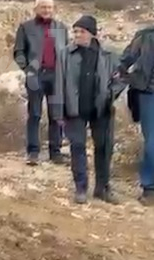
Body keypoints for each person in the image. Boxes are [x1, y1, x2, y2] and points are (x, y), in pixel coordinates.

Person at [53, 15, 125, 205]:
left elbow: (122, 78)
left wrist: (111, 94)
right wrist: (58, 112)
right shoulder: (65, 54)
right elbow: (58, 83)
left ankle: (102, 188)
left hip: (101, 108)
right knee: (77, 147)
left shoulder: (109, 54)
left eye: (81, 31)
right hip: (73, 109)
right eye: (75, 31)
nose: (77, 35)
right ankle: (81, 188)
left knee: (104, 148)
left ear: (92, 34)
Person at [13, 0, 70, 166]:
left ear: (54, 9)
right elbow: (18, 51)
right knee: (35, 114)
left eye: (50, 7)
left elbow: (66, 51)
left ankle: (56, 152)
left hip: (56, 76)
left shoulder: (61, 28)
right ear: (36, 9)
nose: (47, 10)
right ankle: (33, 152)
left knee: (56, 115)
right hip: (36, 76)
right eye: (43, 7)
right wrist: (27, 70)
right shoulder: (26, 27)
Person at [118, 24, 154, 205]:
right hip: (149, 93)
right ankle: (149, 188)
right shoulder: (145, 35)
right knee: (152, 141)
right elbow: (126, 58)